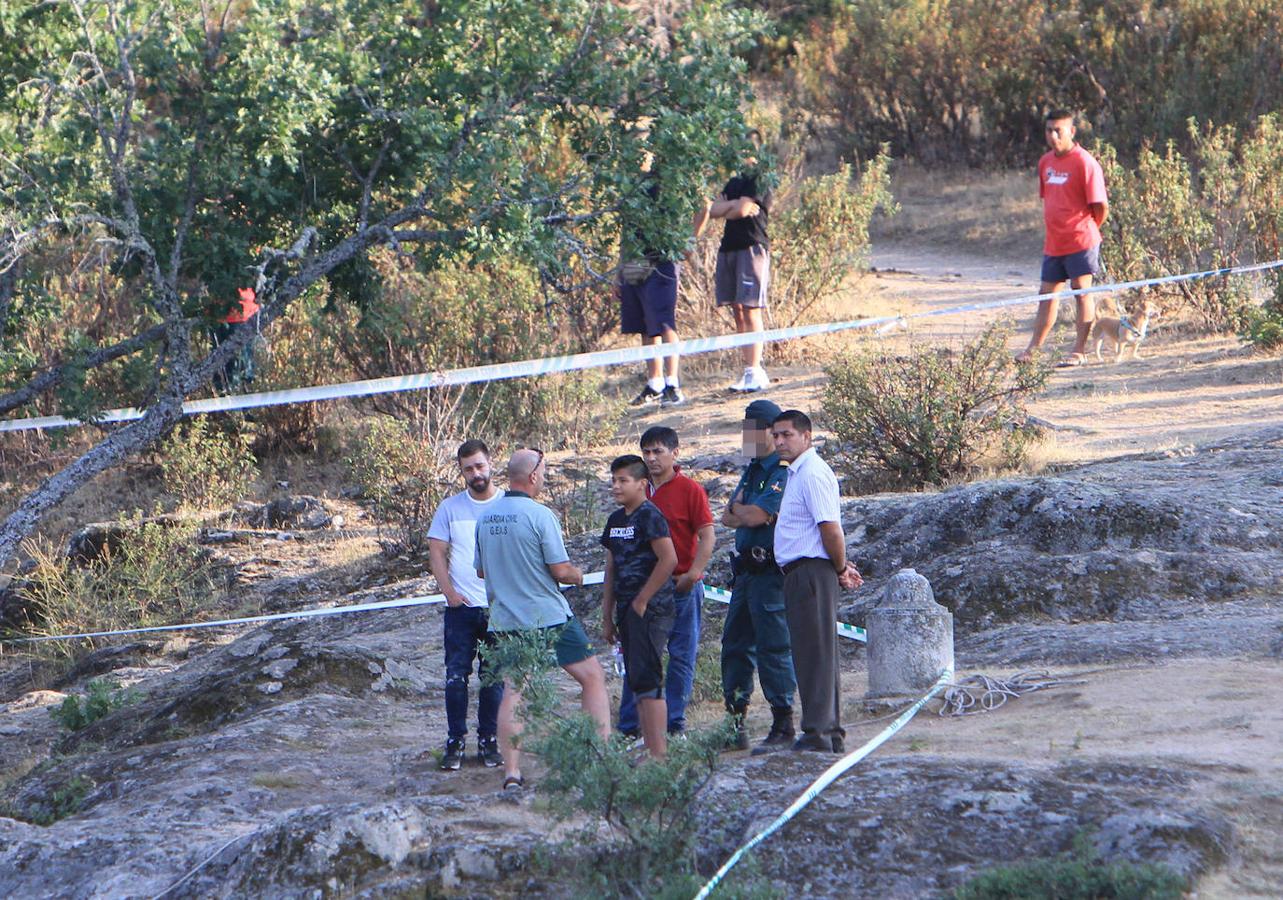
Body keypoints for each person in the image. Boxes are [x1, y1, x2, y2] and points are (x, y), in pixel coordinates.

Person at [473, 448, 611, 790]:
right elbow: (561, 571)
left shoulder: (486, 518)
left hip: (505, 619)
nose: (545, 476)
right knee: (593, 677)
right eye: (544, 470)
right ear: (533, 475)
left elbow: (480, 571)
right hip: (549, 617)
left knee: (514, 691)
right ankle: (601, 758)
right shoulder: (540, 515)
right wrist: (579, 575)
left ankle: (512, 773)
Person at [771, 410, 862, 753]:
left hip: (811, 571)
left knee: (815, 653)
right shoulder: (796, 473)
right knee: (812, 651)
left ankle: (818, 734)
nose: (779, 441)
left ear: (806, 436)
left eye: (787, 435)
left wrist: (839, 567)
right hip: (802, 572)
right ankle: (828, 732)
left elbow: (830, 529)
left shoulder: (811, 473)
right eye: (776, 435)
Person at [616, 426, 714, 741]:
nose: (652, 458)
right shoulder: (637, 490)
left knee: (682, 655)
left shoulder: (690, 490)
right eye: (646, 452)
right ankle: (631, 726)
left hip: (681, 586)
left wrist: (695, 572)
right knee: (640, 657)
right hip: (644, 588)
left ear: (675, 452)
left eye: (658, 451)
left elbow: (708, 534)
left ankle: (673, 723)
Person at [720, 399, 797, 753]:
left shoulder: (781, 470)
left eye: (755, 428)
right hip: (745, 574)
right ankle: (735, 721)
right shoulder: (751, 470)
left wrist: (748, 513)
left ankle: (783, 721)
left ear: (771, 430)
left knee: (773, 648)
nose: (748, 435)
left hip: (769, 573)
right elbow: (729, 516)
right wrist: (746, 512)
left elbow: (755, 516)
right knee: (735, 648)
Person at [427, 439, 504, 771]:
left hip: (500, 610)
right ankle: (455, 741)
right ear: (461, 471)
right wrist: (449, 593)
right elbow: (436, 551)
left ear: (491, 464)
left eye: (480, 466)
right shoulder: (449, 508)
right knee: (456, 677)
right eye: (468, 468)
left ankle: (489, 740)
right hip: (461, 609)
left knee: (494, 678)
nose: (476, 473)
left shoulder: (509, 504)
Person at [601, 455, 678, 759]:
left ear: (642, 484)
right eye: (614, 480)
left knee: (648, 678)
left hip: (652, 609)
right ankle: (648, 746)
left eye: (623, 480)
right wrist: (607, 615)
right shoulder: (615, 520)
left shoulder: (650, 516)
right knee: (635, 678)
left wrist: (644, 598)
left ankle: (659, 757)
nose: (616, 486)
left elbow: (668, 559)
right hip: (626, 611)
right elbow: (610, 569)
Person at [1019, 109, 1109, 366]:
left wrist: (1085, 229)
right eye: (1049, 130)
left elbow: (1100, 206)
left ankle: (1079, 350)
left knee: (1081, 291)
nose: (1053, 135)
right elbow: (1049, 199)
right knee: (1046, 295)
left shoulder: (1084, 162)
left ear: (1072, 131)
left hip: (1081, 240)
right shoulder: (1045, 162)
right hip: (1054, 243)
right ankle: (1033, 349)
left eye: (1058, 130)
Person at [618, 155, 702, 407]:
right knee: (645, 326)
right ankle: (654, 383)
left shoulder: (670, 183)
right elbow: (626, 230)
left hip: (663, 260)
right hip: (636, 263)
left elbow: (703, 205)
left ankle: (672, 382)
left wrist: (690, 240)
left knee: (665, 322)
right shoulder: (631, 186)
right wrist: (619, 270)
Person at [697, 130, 773, 393]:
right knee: (737, 309)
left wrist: (730, 208)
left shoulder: (759, 179)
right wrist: (731, 208)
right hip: (728, 247)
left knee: (751, 307)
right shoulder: (734, 182)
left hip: (752, 247)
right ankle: (747, 369)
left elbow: (739, 210)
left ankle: (757, 370)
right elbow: (712, 209)